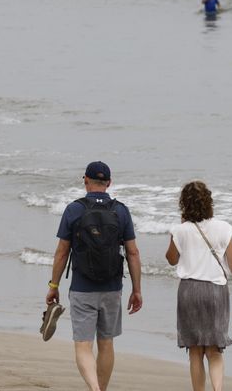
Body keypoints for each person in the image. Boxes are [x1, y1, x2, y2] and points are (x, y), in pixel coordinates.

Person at [45, 161, 143, 391]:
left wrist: (53, 285)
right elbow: (133, 252)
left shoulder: (74, 209)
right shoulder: (121, 210)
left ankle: (94, 389)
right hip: (112, 287)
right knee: (106, 343)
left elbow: (61, 252)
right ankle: (101, 389)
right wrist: (137, 290)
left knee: (83, 345)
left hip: (82, 287)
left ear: (86, 181)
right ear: (108, 183)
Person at [165, 181, 232, 391]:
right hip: (215, 291)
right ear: (209, 202)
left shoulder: (179, 230)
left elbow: (171, 259)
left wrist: (179, 228)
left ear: (184, 204)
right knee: (215, 350)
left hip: (189, 291)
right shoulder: (224, 228)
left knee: (195, 351)